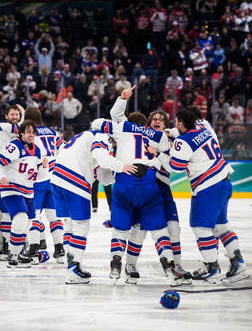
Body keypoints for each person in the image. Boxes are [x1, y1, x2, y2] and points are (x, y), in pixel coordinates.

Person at [91, 93, 183, 287]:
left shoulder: (123, 126)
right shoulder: (158, 136)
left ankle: (116, 263)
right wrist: (157, 157)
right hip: (150, 185)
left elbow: (98, 122)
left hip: (125, 181)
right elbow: (173, 162)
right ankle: (168, 266)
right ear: (147, 124)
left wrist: (122, 99)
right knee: (159, 230)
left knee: (122, 230)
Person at [159, 107, 249, 284]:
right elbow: (184, 131)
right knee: (221, 226)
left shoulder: (183, 141)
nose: (175, 124)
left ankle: (212, 269)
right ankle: (239, 265)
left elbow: (174, 167)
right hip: (224, 179)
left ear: (182, 122)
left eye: (176, 121)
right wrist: (169, 132)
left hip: (208, 185)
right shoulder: (205, 126)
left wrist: (158, 155)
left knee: (200, 227)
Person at [51, 129, 136, 284]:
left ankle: (71, 265)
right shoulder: (102, 136)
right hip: (75, 180)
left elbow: (104, 178)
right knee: (81, 226)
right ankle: (73, 270)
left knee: (69, 224)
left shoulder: (82, 136)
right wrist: (122, 166)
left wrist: (119, 175)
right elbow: (102, 158)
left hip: (56, 179)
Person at [0, 120, 48, 268]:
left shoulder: (38, 150)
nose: (31, 134)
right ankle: (12, 255)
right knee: (20, 218)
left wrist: (43, 167)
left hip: (28, 192)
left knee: (28, 224)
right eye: (28, 132)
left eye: (33, 132)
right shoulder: (14, 146)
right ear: (21, 133)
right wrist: (1, 176)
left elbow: (38, 175)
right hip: (12, 189)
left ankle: (19, 253)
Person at [23, 107, 65, 264]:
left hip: (37, 180)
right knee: (53, 216)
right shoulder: (52, 132)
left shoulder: (31, 134)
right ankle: (59, 249)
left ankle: (34, 249)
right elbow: (63, 147)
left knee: (34, 216)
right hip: (53, 178)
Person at [0, 104, 24, 260]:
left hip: (13, 176)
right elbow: (26, 127)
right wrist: (24, 112)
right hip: (2, 172)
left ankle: (7, 245)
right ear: (6, 116)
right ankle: (6, 245)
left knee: (8, 212)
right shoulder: (3, 127)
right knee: (5, 212)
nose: (15, 117)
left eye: (17, 115)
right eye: (13, 114)